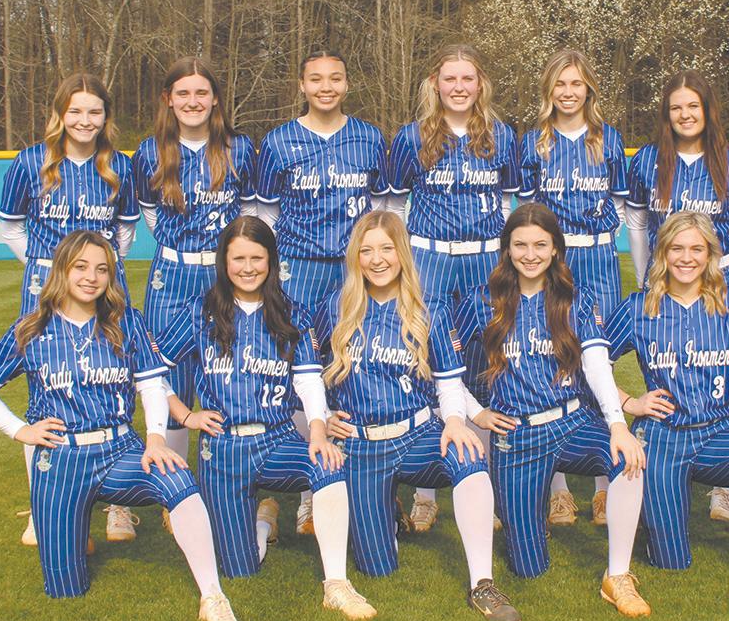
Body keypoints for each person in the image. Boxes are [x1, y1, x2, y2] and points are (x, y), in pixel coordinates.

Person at [0, 230, 244, 621]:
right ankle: (71, 528)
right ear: (62, 270)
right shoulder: (32, 328)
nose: (91, 277)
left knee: (178, 479)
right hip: (61, 461)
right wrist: (20, 430)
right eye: (80, 267)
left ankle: (213, 596)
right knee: (66, 589)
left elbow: (151, 384)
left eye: (101, 269)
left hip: (118, 449)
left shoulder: (125, 322)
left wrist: (155, 439)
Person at [155, 216, 376, 620]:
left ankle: (336, 584)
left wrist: (317, 432)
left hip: (276, 439)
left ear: (271, 261)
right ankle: (263, 523)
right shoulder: (199, 312)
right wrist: (185, 415)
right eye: (238, 258)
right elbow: (152, 372)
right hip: (222, 451)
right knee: (240, 570)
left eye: (257, 258)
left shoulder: (291, 312)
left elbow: (308, 379)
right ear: (224, 262)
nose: (248, 267)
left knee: (327, 464)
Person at [317, 211, 520, 621]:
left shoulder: (430, 310)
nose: (377, 260)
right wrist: (323, 416)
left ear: (402, 253)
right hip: (361, 446)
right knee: (377, 567)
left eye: (386, 249)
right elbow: (303, 374)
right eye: (367, 250)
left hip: (417, 435)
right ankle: (389, 510)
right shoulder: (333, 308)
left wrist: (456, 421)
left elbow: (448, 381)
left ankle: (482, 583)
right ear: (355, 256)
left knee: (468, 455)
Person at [455, 203, 652, 618]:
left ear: (555, 248)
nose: (530, 254)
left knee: (626, 458)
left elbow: (596, 365)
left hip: (572, 421)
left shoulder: (574, 299)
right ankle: (531, 515)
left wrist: (618, 425)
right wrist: (475, 412)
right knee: (528, 567)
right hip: (518, 435)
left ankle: (618, 575)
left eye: (540, 245)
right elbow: (445, 367)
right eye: (520, 245)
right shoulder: (482, 301)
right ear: (507, 249)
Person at [605, 211, 729, 615]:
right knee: (670, 560)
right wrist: (629, 403)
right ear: (662, 253)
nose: (686, 258)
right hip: (663, 437)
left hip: (718, 433)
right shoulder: (636, 307)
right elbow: (589, 365)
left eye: (696, 249)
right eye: (676, 248)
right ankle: (651, 526)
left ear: (711, 254)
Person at [0, 72, 141, 546]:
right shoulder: (31, 162)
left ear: (106, 117)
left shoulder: (119, 166)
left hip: (106, 289)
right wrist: (52, 270)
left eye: (94, 111)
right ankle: (44, 506)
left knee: (115, 381)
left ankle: (119, 506)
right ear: (60, 114)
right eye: (75, 110)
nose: (84, 120)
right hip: (45, 289)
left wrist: (100, 272)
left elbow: (124, 232)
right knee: (46, 393)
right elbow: (10, 226)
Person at [386, 44, 521, 531]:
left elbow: (507, 203)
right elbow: (393, 205)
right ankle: (425, 491)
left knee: (488, 364)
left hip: (484, 259)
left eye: (468, 78)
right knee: (426, 361)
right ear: (435, 84)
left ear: (480, 83)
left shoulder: (502, 136)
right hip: (430, 257)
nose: (459, 87)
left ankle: (482, 481)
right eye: (450, 79)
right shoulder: (411, 137)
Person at [254, 50, 388, 537]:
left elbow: (384, 208)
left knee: (355, 365)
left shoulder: (370, 138)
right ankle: (305, 487)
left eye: (335, 78)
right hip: (300, 269)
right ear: (302, 85)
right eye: (316, 79)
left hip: (354, 270)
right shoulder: (278, 142)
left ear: (347, 84)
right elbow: (265, 214)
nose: (326, 87)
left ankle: (362, 475)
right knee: (298, 366)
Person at [626, 71, 729, 525]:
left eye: (693, 106)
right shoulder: (648, 160)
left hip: (722, 276)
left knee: (724, 365)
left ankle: (723, 484)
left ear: (707, 110)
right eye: (676, 107)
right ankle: (670, 453)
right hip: (667, 275)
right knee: (675, 360)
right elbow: (638, 224)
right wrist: (645, 275)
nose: (685, 115)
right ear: (666, 114)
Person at [134, 56, 257, 532]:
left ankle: (233, 483)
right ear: (169, 99)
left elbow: (249, 215)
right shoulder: (150, 152)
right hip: (171, 275)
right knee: (169, 376)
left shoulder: (238, 149)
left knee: (231, 371)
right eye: (182, 93)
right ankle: (177, 491)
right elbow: (150, 214)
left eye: (201, 92)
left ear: (215, 99)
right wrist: (180, 250)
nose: (192, 101)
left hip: (225, 275)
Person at [517, 49, 630, 528]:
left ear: (589, 90)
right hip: (553, 261)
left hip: (598, 258)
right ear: (549, 90)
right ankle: (559, 488)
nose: (568, 92)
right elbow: (525, 212)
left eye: (576, 84)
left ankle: (603, 483)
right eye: (560, 84)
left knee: (598, 359)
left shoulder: (609, 139)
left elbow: (621, 206)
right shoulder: (534, 143)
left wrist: (598, 238)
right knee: (551, 359)